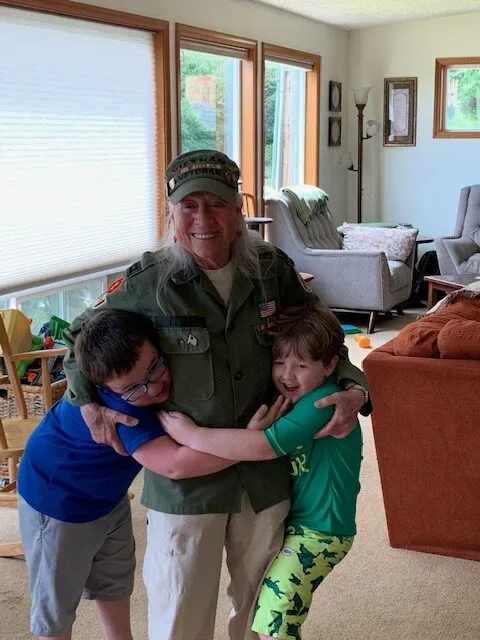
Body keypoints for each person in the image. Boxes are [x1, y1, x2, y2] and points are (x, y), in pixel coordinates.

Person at [62, 149, 370, 640]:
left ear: (239, 209)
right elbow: (78, 341)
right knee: (180, 614)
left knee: (260, 615)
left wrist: (353, 387)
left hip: (267, 475)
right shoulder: (147, 282)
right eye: (189, 206)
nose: (203, 219)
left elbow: (323, 335)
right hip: (187, 488)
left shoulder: (272, 268)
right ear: (171, 214)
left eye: (217, 204)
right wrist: (89, 403)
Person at [17, 308, 236, 640]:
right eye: (134, 388)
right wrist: (253, 447)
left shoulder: (135, 385)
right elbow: (175, 464)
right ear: (106, 387)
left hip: (108, 497)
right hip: (56, 500)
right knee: (56, 603)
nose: (153, 388)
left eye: (154, 367)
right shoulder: (126, 413)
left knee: (115, 579)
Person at [159, 304, 363, 640]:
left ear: (329, 365)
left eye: (301, 365)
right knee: (273, 617)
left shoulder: (322, 403)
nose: (287, 374)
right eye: (280, 362)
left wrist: (193, 435)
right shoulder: (300, 399)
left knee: (274, 621)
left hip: (322, 531)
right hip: (307, 526)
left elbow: (265, 447)